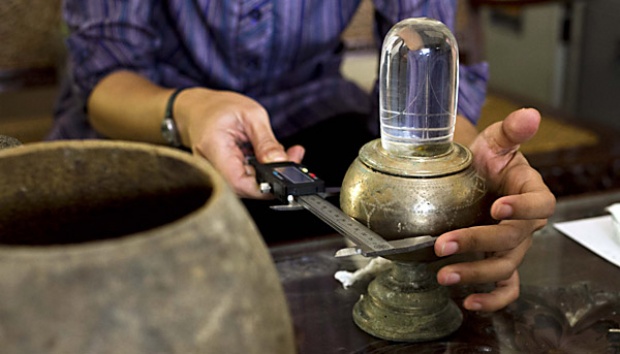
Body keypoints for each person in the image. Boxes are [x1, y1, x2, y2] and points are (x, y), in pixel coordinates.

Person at [48, 0, 555, 313]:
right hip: (149, 122)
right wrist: (189, 110)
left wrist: (464, 166)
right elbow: (106, 77)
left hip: (311, 119)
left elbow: (425, 52)